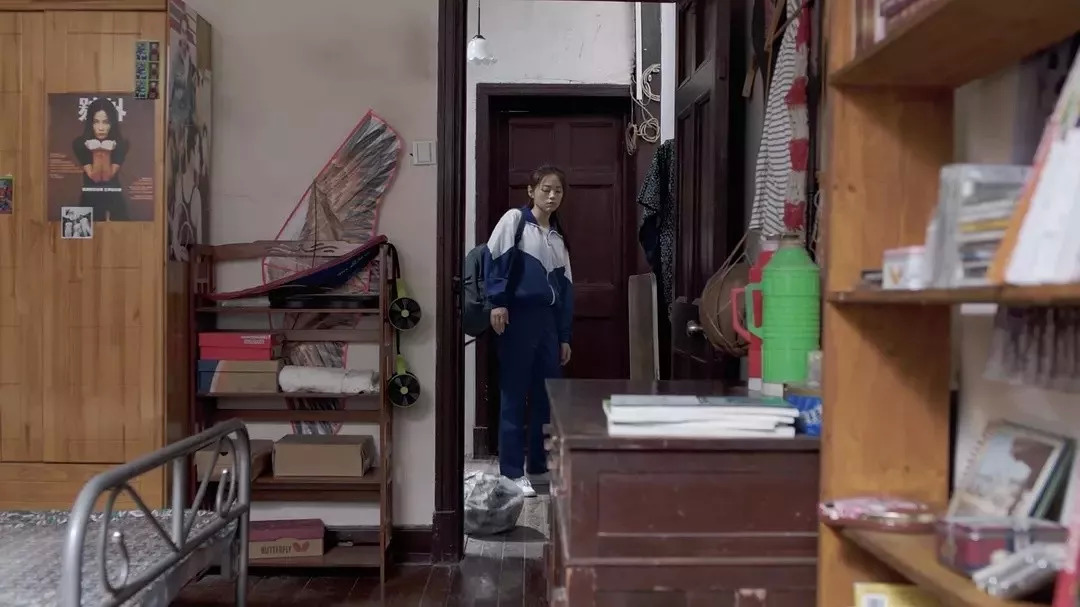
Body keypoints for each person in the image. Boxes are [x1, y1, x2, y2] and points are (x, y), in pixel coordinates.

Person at [484, 165, 574, 497]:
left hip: (548, 324)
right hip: (517, 319)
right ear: (531, 191)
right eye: (546, 189)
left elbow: (566, 290)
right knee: (513, 394)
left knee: (545, 397)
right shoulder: (515, 221)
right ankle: (511, 472)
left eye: (558, 191)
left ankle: (538, 466)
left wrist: (564, 335)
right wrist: (497, 302)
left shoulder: (558, 237)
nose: (552, 196)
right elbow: (494, 260)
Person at [72, 97, 130, 221]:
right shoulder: (80, 143)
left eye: (106, 122)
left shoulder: (121, 144)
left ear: (112, 123)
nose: (101, 127)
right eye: (96, 122)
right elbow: (96, 177)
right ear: (90, 123)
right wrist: (98, 150)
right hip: (90, 199)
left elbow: (107, 177)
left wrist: (105, 150)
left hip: (114, 199)